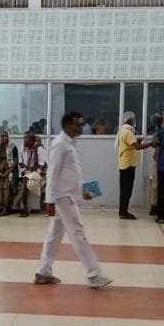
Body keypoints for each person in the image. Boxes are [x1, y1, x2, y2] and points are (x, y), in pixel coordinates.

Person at [35, 112, 112, 289]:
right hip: (62, 198)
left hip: (68, 195)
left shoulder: (70, 143)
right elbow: (52, 173)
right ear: (67, 125)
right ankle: (94, 274)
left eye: (82, 124)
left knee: (54, 235)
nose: (81, 127)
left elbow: (71, 173)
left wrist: (83, 190)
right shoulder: (59, 144)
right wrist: (49, 201)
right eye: (78, 124)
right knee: (78, 233)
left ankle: (43, 272)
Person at [116, 112, 151, 220]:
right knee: (127, 190)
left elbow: (131, 144)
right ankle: (123, 212)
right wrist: (151, 144)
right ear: (130, 120)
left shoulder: (123, 131)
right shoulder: (128, 132)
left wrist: (138, 141)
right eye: (134, 119)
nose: (135, 121)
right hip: (128, 165)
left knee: (124, 190)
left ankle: (123, 211)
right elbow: (137, 147)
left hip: (124, 164)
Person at [15, 131, 47, 217]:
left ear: (32, 140)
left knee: (25, 179)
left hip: (36, 171)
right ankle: (23, 207)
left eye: (26, 138)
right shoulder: (22, 147)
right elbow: (20, 162)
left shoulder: (39, 149)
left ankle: (24, 208)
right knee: (25, 177)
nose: (24, 140)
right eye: (24, 138)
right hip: (25, 170)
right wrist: (26, 168)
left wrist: (30, 169)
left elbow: (41, 165)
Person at [0, 130, 19, 216]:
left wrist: (8, 171)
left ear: (7, 137)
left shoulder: (13, 147)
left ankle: (6, 209)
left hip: (10, 170)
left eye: (4, 136)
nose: (3, 138)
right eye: (1, 136)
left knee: (6, 186)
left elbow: (15, 161)